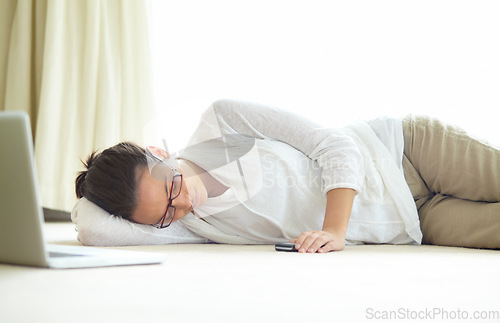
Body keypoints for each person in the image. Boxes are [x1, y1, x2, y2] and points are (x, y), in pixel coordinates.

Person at [75, 99, 500, 252]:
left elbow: (335, 144)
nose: (182, 206)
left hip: (404, 152)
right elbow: (93, 228)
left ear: (158, 152)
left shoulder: (221, 123)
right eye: (165, 214)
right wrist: (97, 187)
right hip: (413, 221)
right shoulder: (190, 224)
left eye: (173, 188)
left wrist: (334, 231)